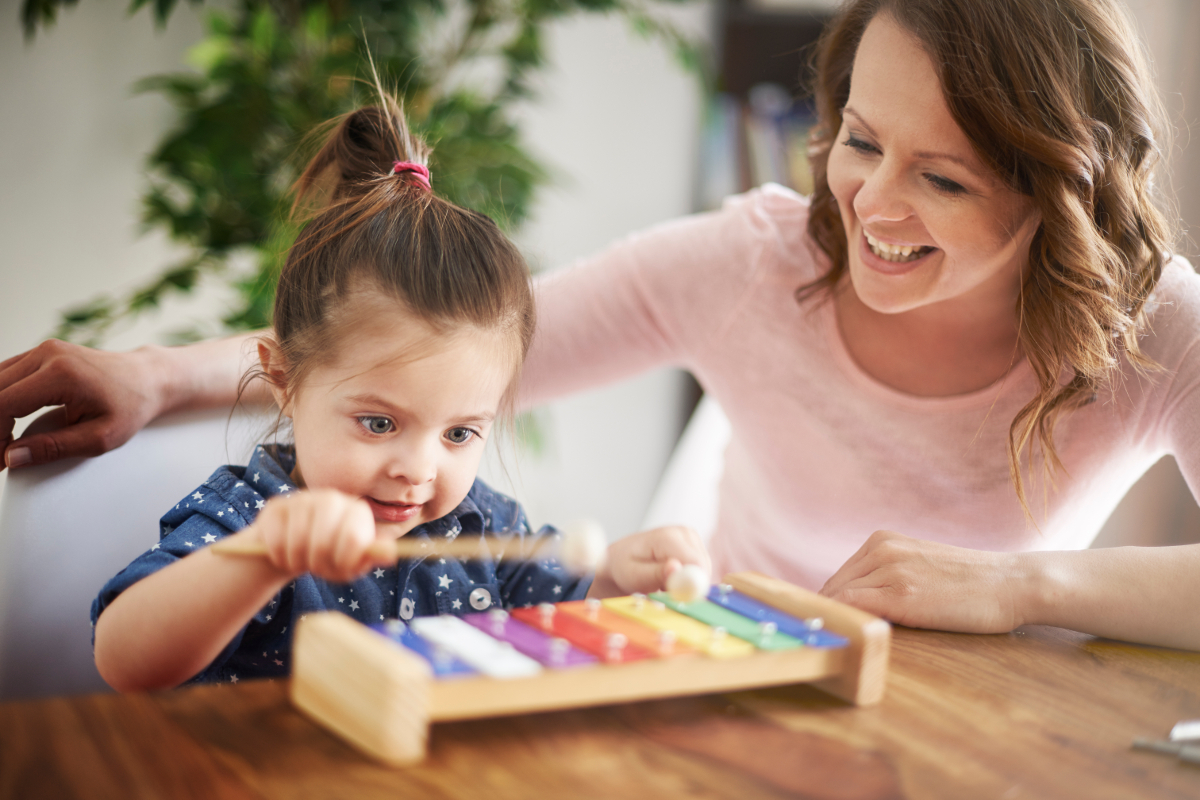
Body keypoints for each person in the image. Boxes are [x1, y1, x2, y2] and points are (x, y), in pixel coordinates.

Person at [3, 0, 1198, 651]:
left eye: (943, 178)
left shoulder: (1160, 328)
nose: (872, 206)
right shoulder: (756, 259)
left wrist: (1024, 585)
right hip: (737, 689)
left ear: (1063, 189)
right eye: (862, 141)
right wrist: (159, 376)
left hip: (1009, 737)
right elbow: (423, 348)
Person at [86, 94, 709, 691]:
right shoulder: (247, 518)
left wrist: (613, 578)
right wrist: (261, 559)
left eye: (459, 434)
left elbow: (566, 617)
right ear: (283, 381)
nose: (418, 470)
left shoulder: (482, 527)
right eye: (379, 424)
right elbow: (123, 659)